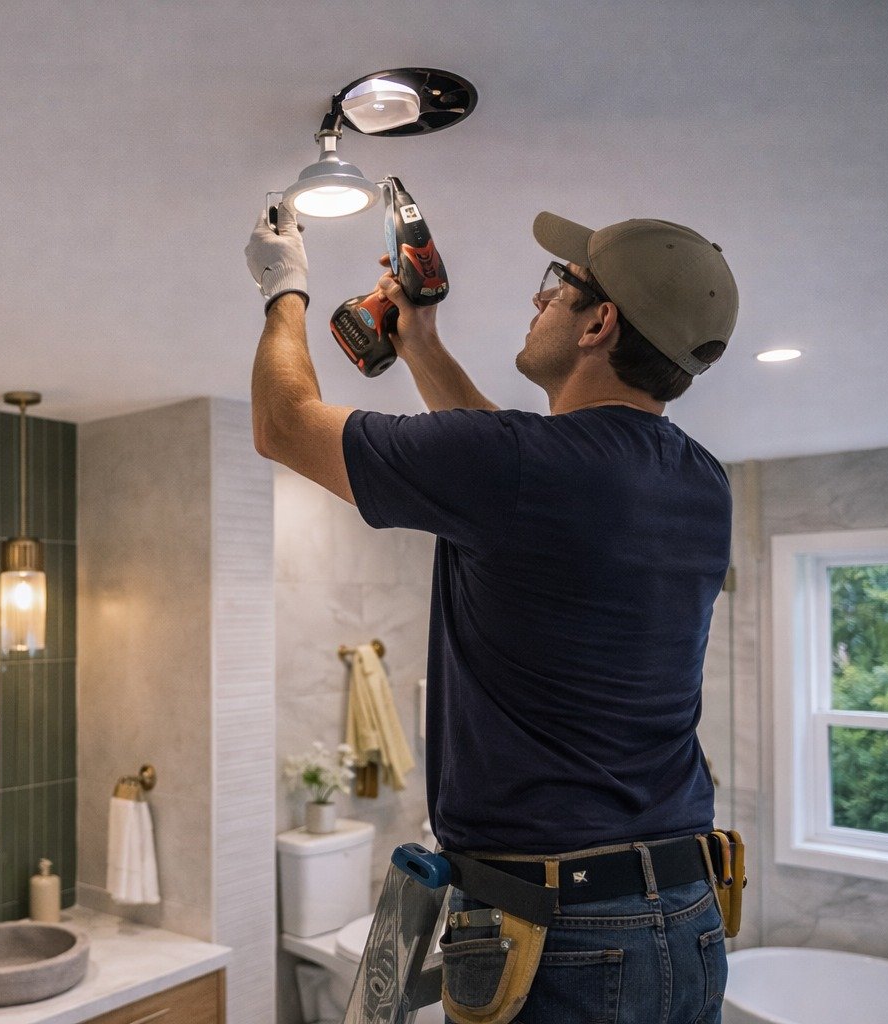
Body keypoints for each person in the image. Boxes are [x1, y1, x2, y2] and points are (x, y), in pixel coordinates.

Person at [246, 204, 739, 1024]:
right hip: (687, 913)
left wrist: (282, 285)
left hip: (559, 932)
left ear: (599, 323)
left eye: (560, 287)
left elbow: (283, 425)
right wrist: (422, 345)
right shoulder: (701, 480)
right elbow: (515, 469)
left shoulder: (516, 468)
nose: (537, 301)